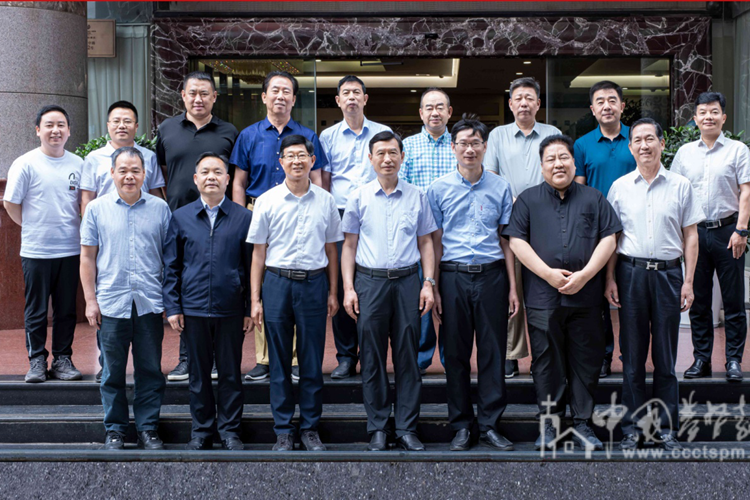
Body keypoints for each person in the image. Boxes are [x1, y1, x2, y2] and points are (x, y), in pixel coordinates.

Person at [504, 134, 621, 451]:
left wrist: (585, 275)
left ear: (573, 161)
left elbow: (610, 237)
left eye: (563, 157)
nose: (558, 164)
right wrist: (548, 275)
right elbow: (516, 242)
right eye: (551, 159)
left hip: (586, 296)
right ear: (541, 166)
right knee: (545, 362)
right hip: (543, 298)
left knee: (586, 361)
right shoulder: (528, 200)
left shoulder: (594, 198)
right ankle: (550, 424)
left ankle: (583, 423)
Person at [606, 118, 703, 451]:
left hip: (668, 275)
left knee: (665, 355)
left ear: (662, 144)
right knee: (632, 356)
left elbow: (691, 236)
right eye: (637, 140)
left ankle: (666, 427)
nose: (644, 145)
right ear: (630, 147)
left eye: (650, 139)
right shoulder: (619, 187)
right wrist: (609, 279)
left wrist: (688, 281)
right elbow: (612, 238)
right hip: (630, 274)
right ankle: (633, 428)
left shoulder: (680, 185)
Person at [427, 114, 518, 451]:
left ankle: (492, 423)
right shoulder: (438, 189)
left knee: (494, 351)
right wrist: (432, 284)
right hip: (452, 277)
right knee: (456, 353)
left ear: (484, 146)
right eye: (463, 143)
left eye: (475, 143)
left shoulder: (500, 186)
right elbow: (433, 241)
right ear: (453, 148)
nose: (469, 149)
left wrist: (512, 286)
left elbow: (506, 239)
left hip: (492, 275)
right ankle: (462, 425)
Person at [342, 131, 437, 452]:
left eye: (393, 152)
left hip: (409, 281)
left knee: (408, 356)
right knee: (371, 356)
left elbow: (426, 242)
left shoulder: (417, 195)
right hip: (370, 283)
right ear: (370, 158)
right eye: (380, 153)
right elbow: (349, 245)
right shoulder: (358, 197)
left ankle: (408, 427)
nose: (387, 158)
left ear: (402, 157)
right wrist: (348, 288)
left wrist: (428, 283)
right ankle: (379, 427)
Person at [247, 135, 342, 452]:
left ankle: (310, 428)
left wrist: (333, 292)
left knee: (312, 362)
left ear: (312, 160)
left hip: (314, 284)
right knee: (279, 363)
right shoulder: (267, 200)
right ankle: (284, 429)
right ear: (281, 161)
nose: (297, 161)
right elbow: (258, 254)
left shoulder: (326, 201)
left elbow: (332, 249)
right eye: (290, 156)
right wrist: (255, 299)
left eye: (303, 155)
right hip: (277, 283)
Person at [232, 71, 327, 382]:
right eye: (275, 90)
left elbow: (318, 180)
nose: (280, 96)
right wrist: (239, 217)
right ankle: (264, 358)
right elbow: (239, 181)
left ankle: (297, 361)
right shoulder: (248, 135)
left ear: (294, 99)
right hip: (259, 209)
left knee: (298, 275)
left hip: (302, 208)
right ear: (264, 97)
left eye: (287, 91)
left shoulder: (308, 136)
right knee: (267, 282)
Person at [80, 147, 170, 450]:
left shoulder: (160, 208)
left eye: (135, 170)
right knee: (111, 373)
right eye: (123, 170)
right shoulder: (96, 209)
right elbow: (87, 258)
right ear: (112, 173)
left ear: (144, 174)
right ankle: (116, 429)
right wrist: (90, 301)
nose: (129, 176)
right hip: (111, 304)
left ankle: (147, 428)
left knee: (150, 371)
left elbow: (169, 260)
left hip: (149, 302)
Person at [163, 153, 254, 451]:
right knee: (198, 374)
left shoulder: (243, 218)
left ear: (228, 179)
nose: (212, 177)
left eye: (218, 172)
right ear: (196, 179)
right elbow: (172, 266)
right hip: (193, 308)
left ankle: (230, 431)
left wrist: (248, 307)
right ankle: (201, 430)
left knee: (230, 373)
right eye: (205, 172)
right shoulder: (181, 217)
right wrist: (174, 306)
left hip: (230, 308)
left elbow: (251, 265)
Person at [156, 70, 239, 381]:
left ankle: (217, 359)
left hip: (219, 219)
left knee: (217, 283)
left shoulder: (229, 132)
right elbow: (162, 172)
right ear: (183, 95)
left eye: (205, 93)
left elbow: (236, 176)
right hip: (181, 220)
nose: (198, 99)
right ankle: (186, 357)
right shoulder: (166, 129)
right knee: (183, 283)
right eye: (192, 93)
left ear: (214, 97)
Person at [80, 100, 165, 383]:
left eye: (127, 120)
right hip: (108, 234)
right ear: (107, 125)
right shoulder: (94, 159)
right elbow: (87, 199)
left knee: (149, 364)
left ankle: (147, 426)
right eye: (116, 120)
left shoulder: (149, 159)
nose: (121, 125)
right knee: (112, 361)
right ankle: (114, 422)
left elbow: (156, 195)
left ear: (136, 126)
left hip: (143, 238)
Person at [485, 77, 562, 379]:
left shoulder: (551, 133)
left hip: (548, 219)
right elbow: (490, 173)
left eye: (529, 98)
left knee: (545, 288)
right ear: (510, 104)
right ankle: (512, 354)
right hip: (512, 220)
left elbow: (559, 168)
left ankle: (546, 352)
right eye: (518, 98)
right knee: (512, 288)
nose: (524, 103)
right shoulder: (498, 136)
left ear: (538, 103)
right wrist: (513, 196)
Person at [672, 92, 749, 382]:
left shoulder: (738, 150)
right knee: (699, 301)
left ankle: (733, 361)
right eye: (702, 112)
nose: (708, 117)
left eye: (714, 112)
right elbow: (676, 195)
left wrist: (741, 230)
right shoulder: (684, 154)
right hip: (695, 234)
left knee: (733, 301)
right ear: (695, 119)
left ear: (723, 117)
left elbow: (747, 191)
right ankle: (701, 359)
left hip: (729, 232)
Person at [4, 105, 83, 383]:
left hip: (71, 249)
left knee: (66, 310)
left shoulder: (78, 164)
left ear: (69, 130)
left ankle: (62, 358)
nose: (55, 130)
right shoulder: (25, 163)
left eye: (61, 125)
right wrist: (32, 227)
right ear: (38, 130)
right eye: (49, 125)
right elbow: (10, 203)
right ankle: (36, 360)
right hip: (36, 251)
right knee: (36, 310)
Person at [319, 75, 391, 379]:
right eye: (345, 93)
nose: (351, 98)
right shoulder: (328, 137)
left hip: (376, 210)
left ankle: (372, 355)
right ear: (338, 101)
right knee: (341, 284)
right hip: (340, 212)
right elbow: (324, 181)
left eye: (356, 93)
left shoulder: (382, 133)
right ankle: (346, 356)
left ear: (366, 98)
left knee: (372, 284)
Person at [573, 80, 637, 378]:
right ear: (592, 109)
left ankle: (630, 355)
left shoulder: (637, 139)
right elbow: (579, 189)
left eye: (612, 100)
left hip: (635, 230)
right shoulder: (582, 144)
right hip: (597, 234)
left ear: (622, 105)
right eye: (600, 101)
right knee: (598, 301)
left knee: (630, 299)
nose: (607, 106)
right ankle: (603, 355)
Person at [400, 87, 455, 375]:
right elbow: (401, 189)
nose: (434, 112)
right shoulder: (407, 147)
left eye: (440, 107)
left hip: (453, 236)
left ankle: (451, 359)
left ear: (449, 112)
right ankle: (420, 359)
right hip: (418, 238)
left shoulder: (458, 145)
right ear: (420, 113)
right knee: (420, 299)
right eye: (429, 108)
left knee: (451, 301)